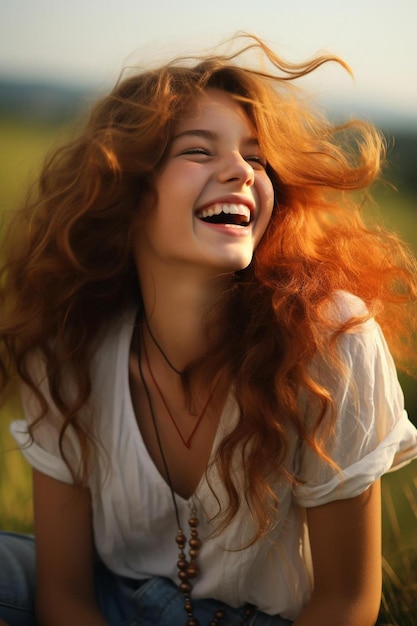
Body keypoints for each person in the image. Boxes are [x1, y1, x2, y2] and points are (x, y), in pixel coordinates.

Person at [0, 33, 416, 626]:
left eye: (257, 156)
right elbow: (65, 594)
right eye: (199, 151)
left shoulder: (330, 340)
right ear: (125, 189)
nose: (242, 172)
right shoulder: (69, 347)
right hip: (117, 600)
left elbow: (347, 601)